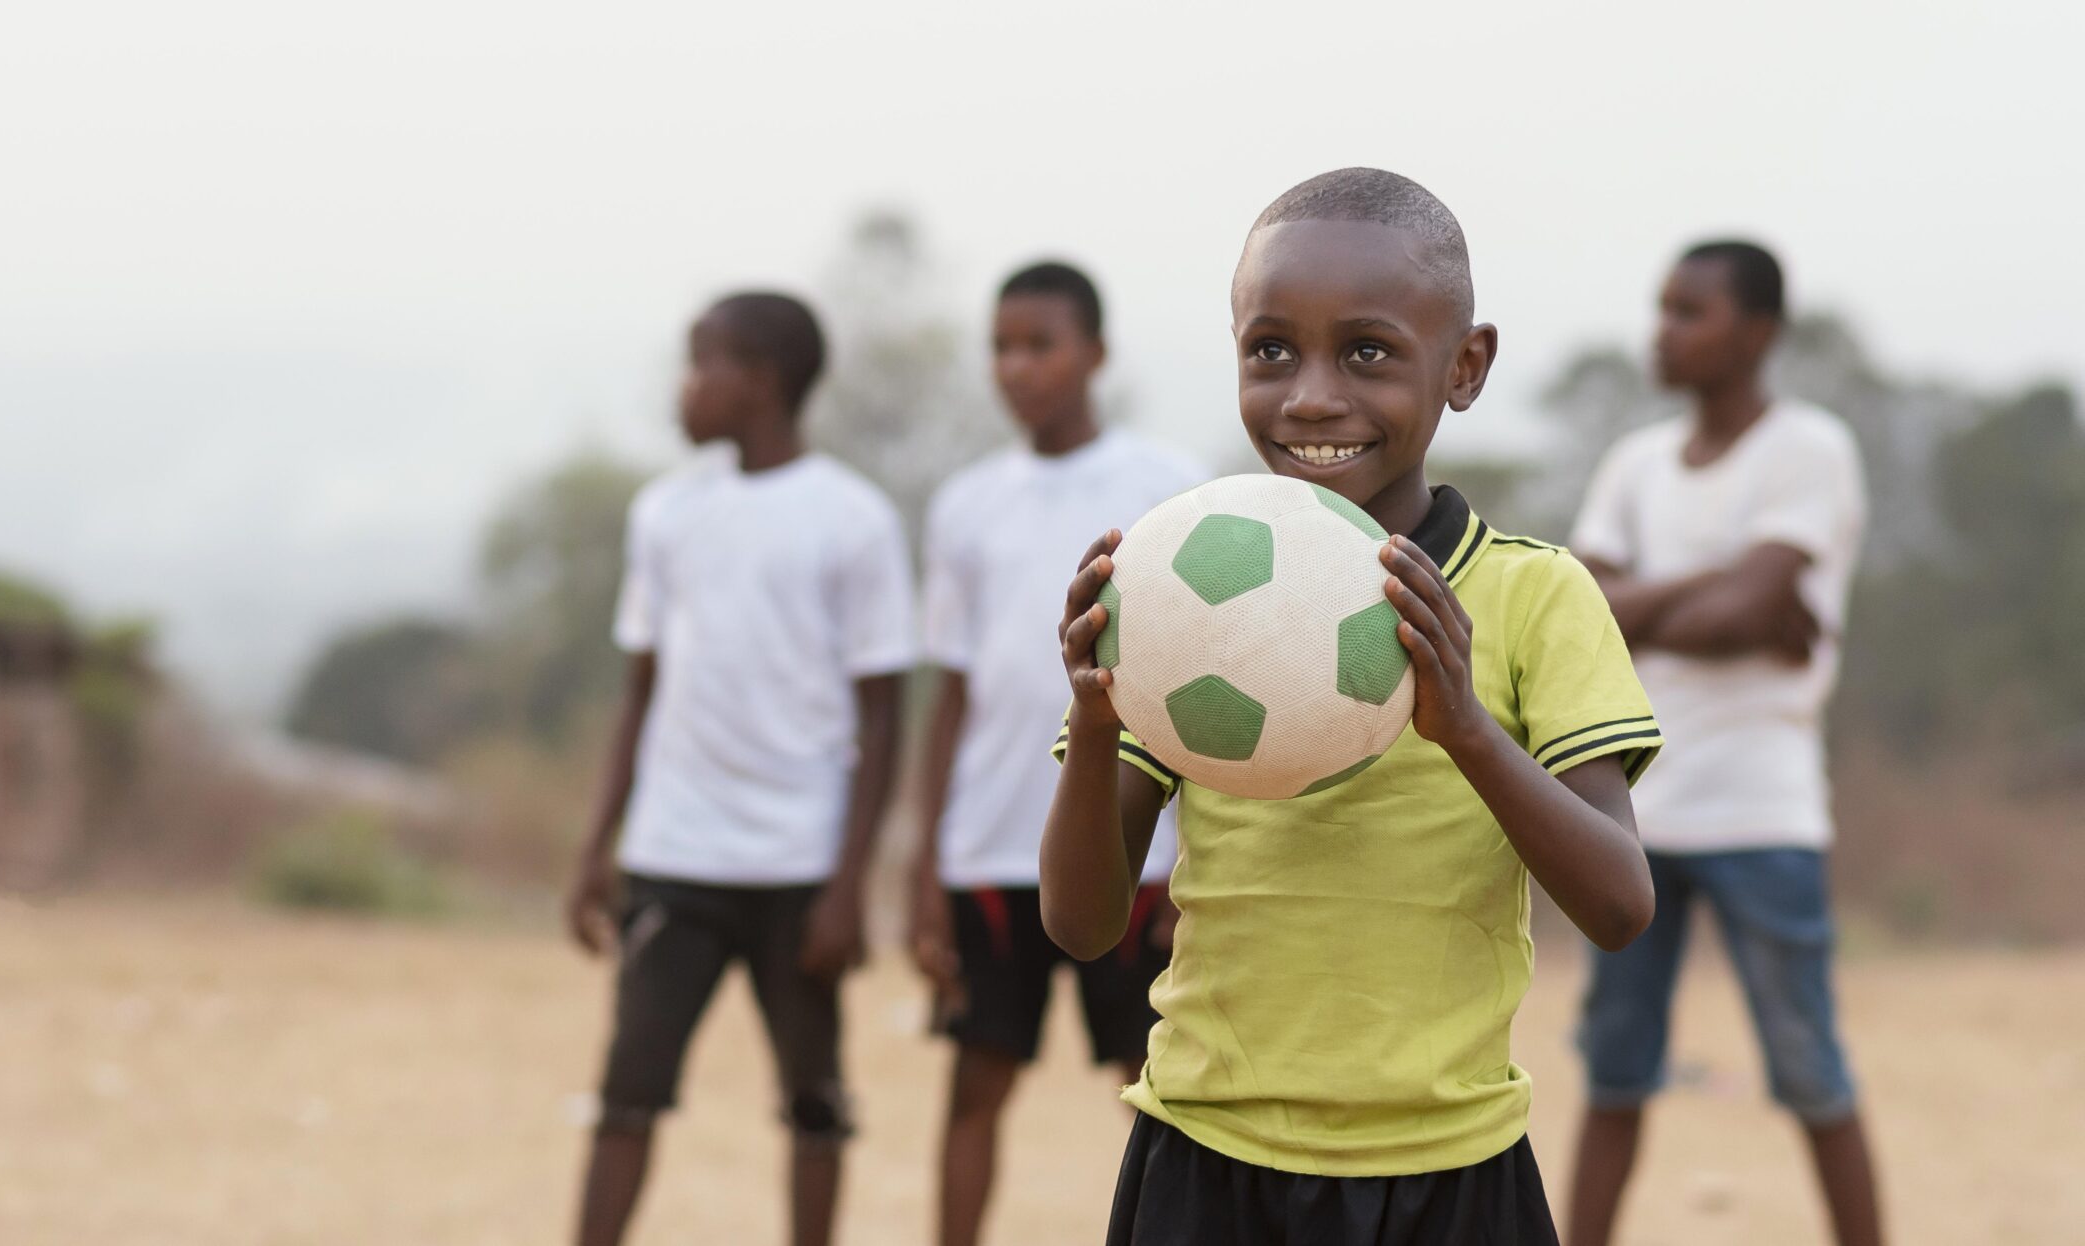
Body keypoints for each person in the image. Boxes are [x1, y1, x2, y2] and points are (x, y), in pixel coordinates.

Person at [1041, 168, 1667, 1245]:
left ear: (1463, 366)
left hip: (1452, 1167)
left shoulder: (1531, 594)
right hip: (1207, 1155)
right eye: (1269, 349)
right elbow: (1082, 923)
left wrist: (1466, 728)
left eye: (1366, 351)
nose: (1312, 396)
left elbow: (1618, 906)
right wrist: (1099, 724)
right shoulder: (1179, 588)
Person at [562, 291, 915, 1246]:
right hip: (674, 856)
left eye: (698, 364)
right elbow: (639, 692)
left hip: (797, 871)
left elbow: (884, 719)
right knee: (626, 1097)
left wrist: (849, 887)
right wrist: (598, 847)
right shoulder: (667, 513)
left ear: (758, 382)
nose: (682, 388)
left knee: (815, 1107)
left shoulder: (854, 519)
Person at [1563, 241, 1883, 1246]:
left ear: (1756, 332)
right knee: (1613, 1068)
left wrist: (1648, 603)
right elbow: (1584, 611)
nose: (1663, 330)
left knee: (1807, 1066)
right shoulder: (1635, 463)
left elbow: (1726, 609)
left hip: (1763, 808)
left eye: (1688, 311)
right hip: (1635, 812)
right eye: (1662, 308)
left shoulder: (1808, 448)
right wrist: (1723, 591)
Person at [909, 260, 1207, 1246]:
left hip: (1134, 849)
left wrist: (1197, 849)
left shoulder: (1163, 486)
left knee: (1158, 1090)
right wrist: (922, 861)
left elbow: (1206, 675)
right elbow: (949, 690)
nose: (1016, 366)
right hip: (990, 845)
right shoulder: (962, 503)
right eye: (1000, 345)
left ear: (1095, 353)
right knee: (975, 1084)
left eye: (1039, 343)